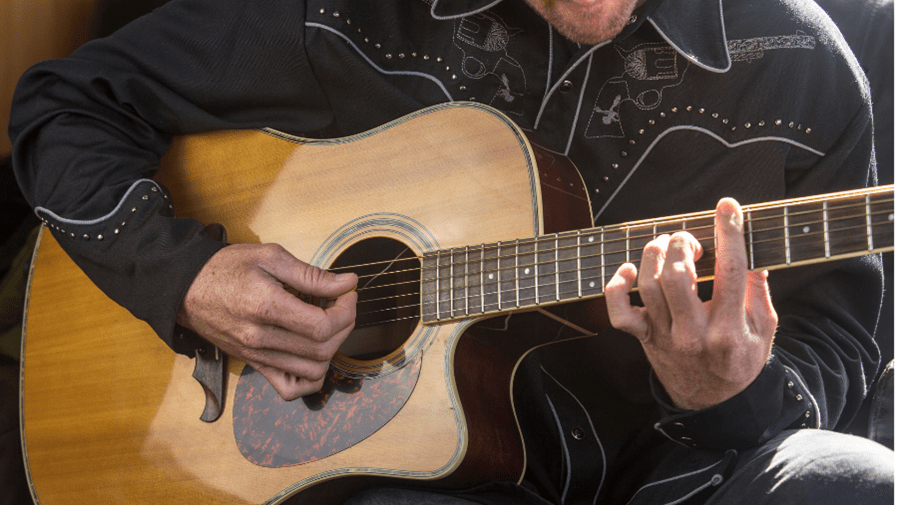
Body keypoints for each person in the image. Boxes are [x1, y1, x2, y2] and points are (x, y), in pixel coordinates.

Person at [8, 0, 893, 503]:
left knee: (855, 484)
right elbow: (65, 104)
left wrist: (732, 394)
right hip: (401, 481)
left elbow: (843, 338)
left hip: (673, 474)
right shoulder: (343, 9)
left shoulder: (802, 75)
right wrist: (186, 276)